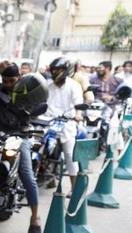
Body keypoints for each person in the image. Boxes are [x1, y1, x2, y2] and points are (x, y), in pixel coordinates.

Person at [0, 61, 46, 233]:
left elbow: (39, 107)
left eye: (12, 81)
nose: (8, 84)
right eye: (5, 80)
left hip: (19, 137)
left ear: (19, 79)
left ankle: (35, 217)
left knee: (27, 174)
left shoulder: (27, 92)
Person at [44, 56, 83, 192]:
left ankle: (74, 189)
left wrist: (78, 115)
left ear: (66, 70)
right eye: (53, 69)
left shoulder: (74, 86)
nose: (55, 72)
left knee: (70, 155)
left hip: (67, 123)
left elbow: (78, 103)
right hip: (47, 122)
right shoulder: (47, 85)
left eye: (58, 69)